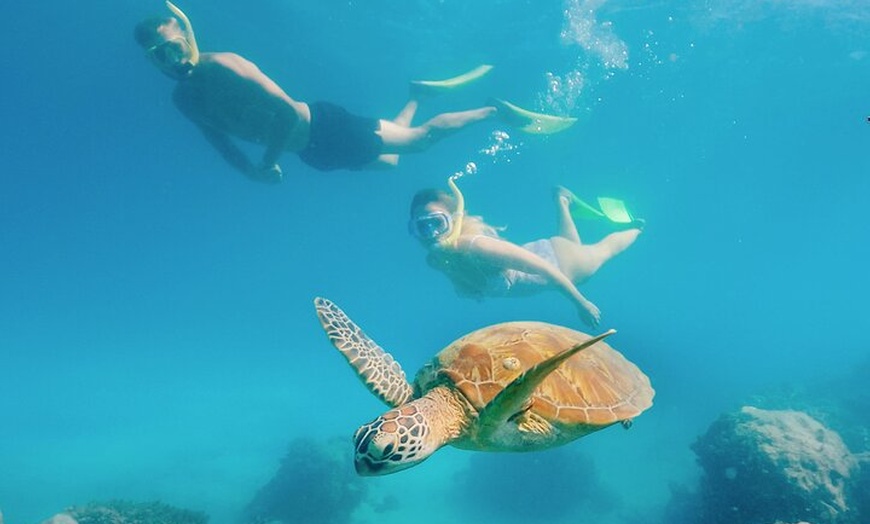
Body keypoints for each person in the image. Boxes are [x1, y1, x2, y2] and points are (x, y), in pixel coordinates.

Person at [134, 2, 574, 182]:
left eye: (175, 46)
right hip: (312, 152)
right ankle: (418, 94)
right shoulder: (183, 100)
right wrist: (249, 171)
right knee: (389, 161)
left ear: (187, 38)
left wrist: (265, 161)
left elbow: (285, 113)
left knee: (418, 143)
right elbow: (218, 140)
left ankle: (491, 111)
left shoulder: (225, 64)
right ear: (152, 62)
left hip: (322, 126)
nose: (172, 59)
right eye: (159, 55)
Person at [408, 175, 644, 328]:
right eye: (422, 226)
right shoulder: (437, 260)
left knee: (603, 251)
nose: (431, 234)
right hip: (551, 250)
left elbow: (545, 268)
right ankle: (562, 200)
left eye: (437, 223)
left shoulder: (476, 246)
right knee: (570, 242)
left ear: (455, 220)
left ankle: (638, 228)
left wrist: (581, 304)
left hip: (561, 264)